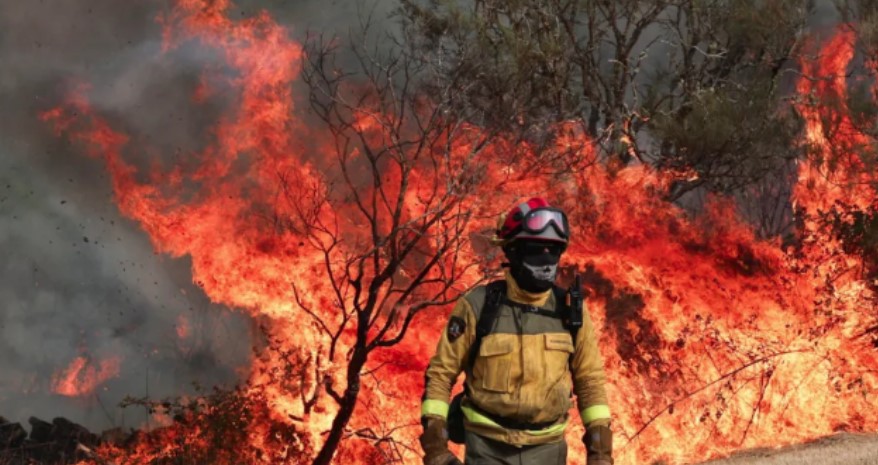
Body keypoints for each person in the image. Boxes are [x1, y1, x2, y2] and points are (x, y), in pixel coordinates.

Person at [419, 198, 613, 465]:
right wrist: (436, 450)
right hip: (487, 449)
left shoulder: (571, 312)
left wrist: (601, 454)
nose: (546, 260)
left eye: (553, 251)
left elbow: (590, 381)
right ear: (512, 252)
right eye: (536, 250)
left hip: (548, 452)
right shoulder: (478, 306)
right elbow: (441, 374)